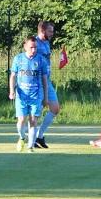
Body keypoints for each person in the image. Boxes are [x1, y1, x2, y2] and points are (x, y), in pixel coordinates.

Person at [9, 36, 50, 153]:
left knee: (33, 120)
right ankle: (22, 138)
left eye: (35, 47)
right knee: (21, 120)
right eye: (31, 47)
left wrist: (46, 97)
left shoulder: (41, 60)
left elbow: (44, 81)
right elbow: (13, 76)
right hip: (22, 96)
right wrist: (12, 91)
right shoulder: (18, 59)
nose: (34, 50)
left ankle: (30, 147)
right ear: (25, 47)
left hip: (36, 96)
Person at [34, 20, 60, 148]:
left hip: (47, 81)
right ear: (42, 30)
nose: (52, 34)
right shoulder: (34, 43)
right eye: (50, 31)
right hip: (36, 81)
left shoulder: (46, 42)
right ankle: (30, 138)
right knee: (36, 111)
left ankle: (39, 136)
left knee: (55, 108)